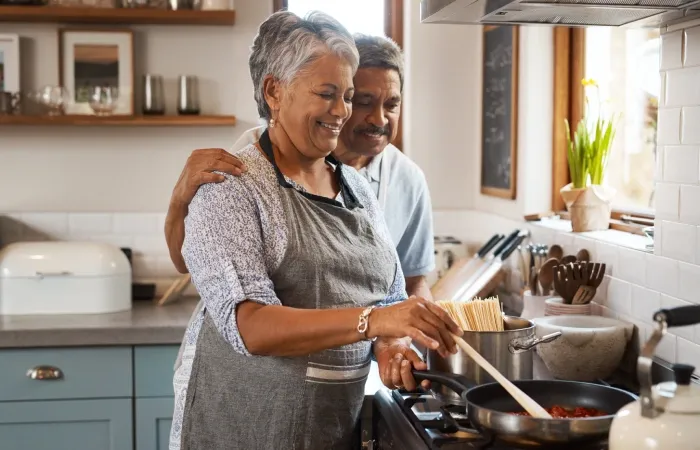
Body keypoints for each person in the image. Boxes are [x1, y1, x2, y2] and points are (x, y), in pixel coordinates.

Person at [168, 11, 461, 450]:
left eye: (346, 95)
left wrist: (391, 341)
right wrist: (375, 321)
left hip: (327, 425)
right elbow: (249, 325)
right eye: (328, 94)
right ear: (274, 91)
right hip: (245, 425)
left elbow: (390, 294)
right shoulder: (229, 182)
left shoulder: (356, 185)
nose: (343, 111)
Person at [165, 34, 435, 300]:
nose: (379, 119)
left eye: (392, 104)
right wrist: (180, 202)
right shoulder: (250, 157)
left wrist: (413, 337)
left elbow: (410, 284)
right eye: (363, 101)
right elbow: (190, 265)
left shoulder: (408, 179)